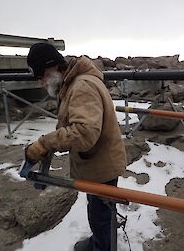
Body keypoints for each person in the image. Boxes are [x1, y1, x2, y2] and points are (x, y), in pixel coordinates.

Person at [26, 43, 127, 251]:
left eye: (41, 74)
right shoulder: (72, 84)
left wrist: (45, 143)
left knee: (101, 214)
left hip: (101, 165)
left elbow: (84, 133)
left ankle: (103, 247)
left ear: (54, 66)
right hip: (96, 161)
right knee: (98, 210)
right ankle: (99, 241)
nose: (41, 81)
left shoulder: (82, 86)